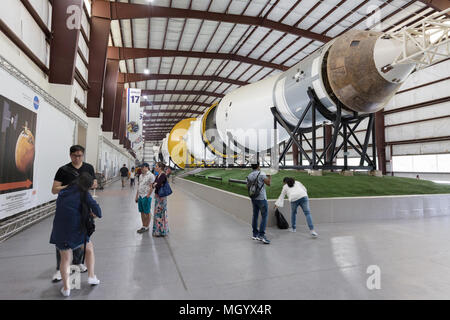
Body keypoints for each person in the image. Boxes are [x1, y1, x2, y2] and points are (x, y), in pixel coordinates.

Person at [50, 172, 102, 297]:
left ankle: (66, 288)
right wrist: (92, 213)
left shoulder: (63, 192)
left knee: (65, 259)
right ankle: (91, 276)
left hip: (60, 230)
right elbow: (98, 212)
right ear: (87, 185)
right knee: (89, 249)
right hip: (76, 230)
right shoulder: (84, 194)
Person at [51, 145, 97, 282]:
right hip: (66, 208)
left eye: (80, 155)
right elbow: (54, 189)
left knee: (83, 234)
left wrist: (88, 185)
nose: (78, 158)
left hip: (82, 206)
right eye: (75, 156)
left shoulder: (88, 168)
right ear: (70, 155)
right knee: (63, 238)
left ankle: (77, 262)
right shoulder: (63, 170)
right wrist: (72, 185)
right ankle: (60, 269)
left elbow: (94, 183)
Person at [246, 163, 271, 244]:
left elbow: (247, 186)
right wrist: (269, 175)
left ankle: (255, 234)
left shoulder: (249, 175)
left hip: (253, 197)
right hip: (261, 198)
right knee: (264, 216)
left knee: (255, 215)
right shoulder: (261, 174)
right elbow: (268, 183)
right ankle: (262, 235)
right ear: (258, 166)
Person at [135, 163, 155, 233]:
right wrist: (136, 196)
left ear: (147, 167)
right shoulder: (140, 175)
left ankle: (147, 226)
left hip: (146, 196)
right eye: (141, 168)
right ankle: (143, 226)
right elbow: (139, 185)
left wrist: (148, 196)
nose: (141, 169)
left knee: (147, 211)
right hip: (140, 196)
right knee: (142, 211)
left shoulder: (151, 176)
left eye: (142, 168)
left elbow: (152, 186)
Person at [152, 162, 169, 237]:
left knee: (161, 213)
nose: (155, 167)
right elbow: (154, 184)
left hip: (161, 197)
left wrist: (155, 184)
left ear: (160, 167)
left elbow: (157, 185)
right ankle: (158, 231)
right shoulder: (158, 175)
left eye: (156, 166)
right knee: (158, 213)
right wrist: (155, 184)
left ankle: (162, 231)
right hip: (158, 197)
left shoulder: (162, 175)